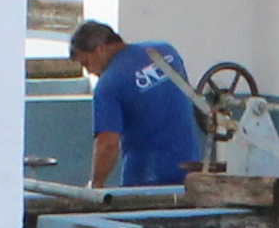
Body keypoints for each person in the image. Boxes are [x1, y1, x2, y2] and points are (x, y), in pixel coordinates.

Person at [75, 20, 203, 188]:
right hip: (191, 170)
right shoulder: (165, 51)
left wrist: (96, 184)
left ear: (100, 49)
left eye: (86, 62)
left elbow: (108, 144)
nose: (88, 71)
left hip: (147, 178)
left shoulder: (108, 84)